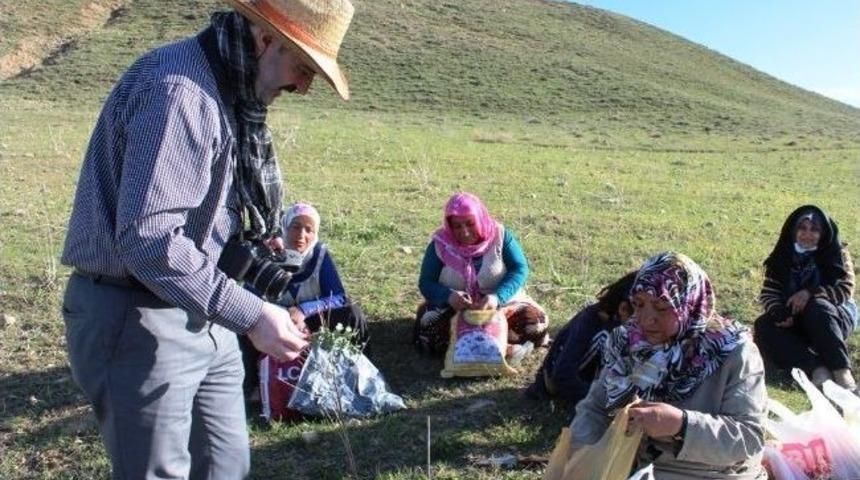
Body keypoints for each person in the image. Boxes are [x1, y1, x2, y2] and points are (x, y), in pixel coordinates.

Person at [59, 0, 355, 477]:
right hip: (139, 317)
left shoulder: (227, 91)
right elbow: (151, 241)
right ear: (264, 40)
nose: (302, 87)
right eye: (302, 68)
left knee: (224, 466)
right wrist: (253, 314)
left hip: (203, 308)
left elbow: (198, 215)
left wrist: (248, 253)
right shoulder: (181, 94)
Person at [568, 252, 767, 479]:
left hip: (710, 474)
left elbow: (749, 438)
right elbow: (595, 408)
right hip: (630, 467)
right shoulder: (629, 343)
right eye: (639, 305)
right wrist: (581, 451)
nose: (646, 319)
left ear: (688, 304)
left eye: (662, 307)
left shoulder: (733, 351)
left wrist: (681, 425)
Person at [240, 202, 369, 395]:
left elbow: (339, 298)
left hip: (313, 320)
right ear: (284, 227)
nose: (301, 236)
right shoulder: (267, 254)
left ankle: (359, 379)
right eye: (296, 227)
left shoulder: (319, 255)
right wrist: (283, 316)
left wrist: (303, 310)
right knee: (241, 324)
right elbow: (249, 300)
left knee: (353, 315)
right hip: (273, 324)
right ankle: (251, 385)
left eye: (309, 230)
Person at [415, 192, 548, 362]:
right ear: (449, 226)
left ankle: (475, 347)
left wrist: (497, 297)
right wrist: (448, 296)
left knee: (535, 323)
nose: (464, 232)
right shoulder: (440, 244)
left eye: (470, 224)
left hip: (502, 307)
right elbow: (426, 282)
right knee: (428, 324)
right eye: (457, 226)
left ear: (480, 219)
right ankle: (498, 347)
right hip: (455, 311)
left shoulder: (500, 236)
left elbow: (519, 269)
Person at [753, 205, 858, 392]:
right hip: (798, 319)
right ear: (794, 230)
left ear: (823, 232)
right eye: (802, 228)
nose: (807, 235)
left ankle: (841, 371)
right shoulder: (784, 254)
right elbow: (770, 292)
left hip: (832, 317)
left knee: (816, 307)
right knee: (763, 325)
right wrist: (778, 311)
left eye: (814, 230)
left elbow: (845, 289)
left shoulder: (836, 253)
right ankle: (816, 369)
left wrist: (809, 293)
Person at [526, 270, 636, 404]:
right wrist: (610, 402)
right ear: (624, 309)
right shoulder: (597, 324)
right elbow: (562, 377)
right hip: (565, 390)